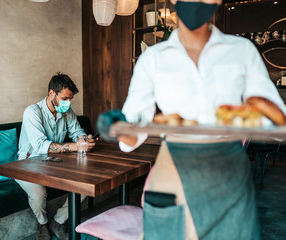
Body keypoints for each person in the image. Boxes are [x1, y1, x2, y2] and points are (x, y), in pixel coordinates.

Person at [97, 0, 286, 239]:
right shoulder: (153, 59)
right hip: (174, 172)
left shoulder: (242, 51)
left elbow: (278, 119)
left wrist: (259, 107)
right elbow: (133, 133)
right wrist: (117, 126)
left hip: (228, 178)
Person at [17, 73, 97, 240]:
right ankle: (42, 223)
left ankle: (58, 221)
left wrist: (85, 140)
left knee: (87, 182)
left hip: (55, 162)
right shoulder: (32, 112)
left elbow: (77, 132)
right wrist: (77, 146)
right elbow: (41, 145)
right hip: (27, 164)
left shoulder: (67, 111)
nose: (68, 103)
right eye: (65, 98)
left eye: (70, 99)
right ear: (52, 93)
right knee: (38, 194)